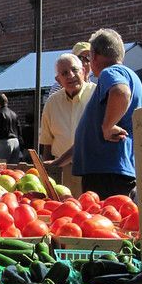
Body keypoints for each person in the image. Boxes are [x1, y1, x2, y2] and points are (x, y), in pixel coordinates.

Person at [72, 28, 142, 200]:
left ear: (95, 56)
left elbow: (121, 92)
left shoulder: (110, 72)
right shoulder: (132, 75)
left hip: (106, 170)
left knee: (103, 223)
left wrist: (108, 126)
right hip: (112, 169)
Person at [40, 53, 97, 196]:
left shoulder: (97, 94)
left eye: (74, 70)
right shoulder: (52, 103)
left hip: (92, 169)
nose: (70, 75)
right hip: (63, 171)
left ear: (83, 71)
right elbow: (47, 142)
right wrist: (48, 176)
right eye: (64, 73)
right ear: (58, 80)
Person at [0, 94, 22, 163]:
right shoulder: (14, 114)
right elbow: (19, 131)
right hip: (15, 142)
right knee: (13, 167)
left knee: (0, 166)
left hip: (4, 143)